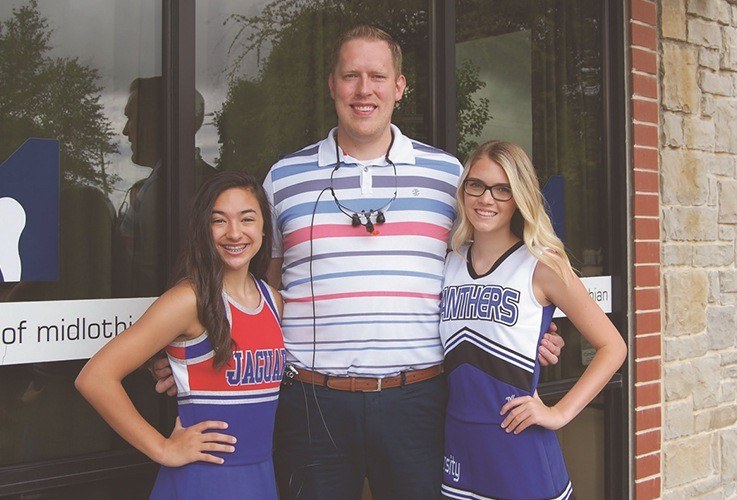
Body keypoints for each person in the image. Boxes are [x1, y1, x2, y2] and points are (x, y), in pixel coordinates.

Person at [154, 25, 564, 500]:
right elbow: (253, 292)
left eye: (377, 76)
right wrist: (188, 351)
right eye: (350, 76)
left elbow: (491, 264)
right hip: (312, 402)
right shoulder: (284, 178)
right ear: (332, 84)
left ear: (400, 86)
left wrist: (532, 326)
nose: (363, 90)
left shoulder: (449, 176)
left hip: (419, 401)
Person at [77, 171, 285, 499]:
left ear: (263, 228)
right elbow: (95, 378)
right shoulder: (189, 299)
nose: (234, 233)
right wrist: (162, 449)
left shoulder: (273, 300)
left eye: (247, 218)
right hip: (202, 483)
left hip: (261, 478)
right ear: (203, 228)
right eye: (219, 221)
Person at [439, 141, 627, 500]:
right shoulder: (450, 261)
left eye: (502, 189)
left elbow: (612, 346)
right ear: (463, 190)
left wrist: (559, 413)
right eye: (476, 185)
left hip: (518, 447)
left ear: (519, 197)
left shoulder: (543, 264)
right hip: (459, 446)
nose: (486, 199)